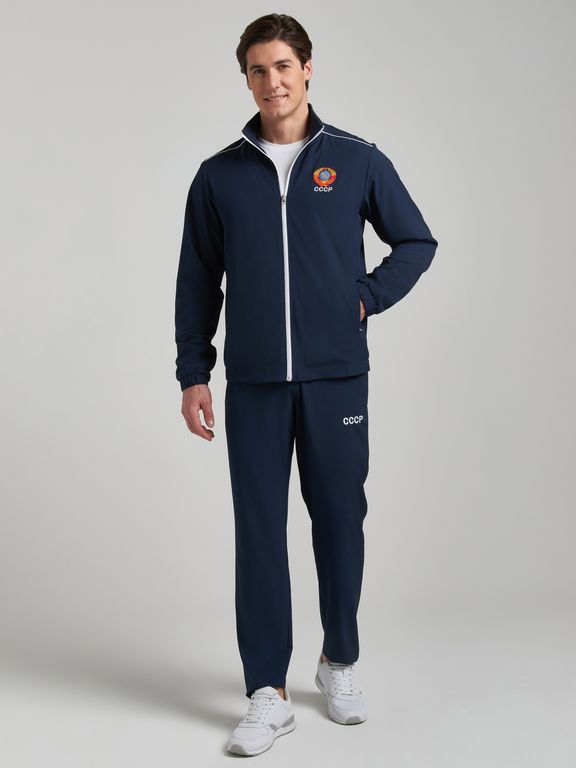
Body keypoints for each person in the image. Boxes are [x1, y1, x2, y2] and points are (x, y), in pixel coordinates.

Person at [174, 13, 438, 757]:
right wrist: (194, 372)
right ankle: (268, 691)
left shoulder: (355, 159)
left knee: (340, 521)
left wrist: (365, 298)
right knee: (259, 531)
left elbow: (416, 240)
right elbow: (197, 281)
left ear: (308, 68)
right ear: (247, 79)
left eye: (283, 66)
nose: (273, 82)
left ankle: (338, 660)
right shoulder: (220, 175)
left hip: (335, 379)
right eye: (258, 70)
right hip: (256, 382)